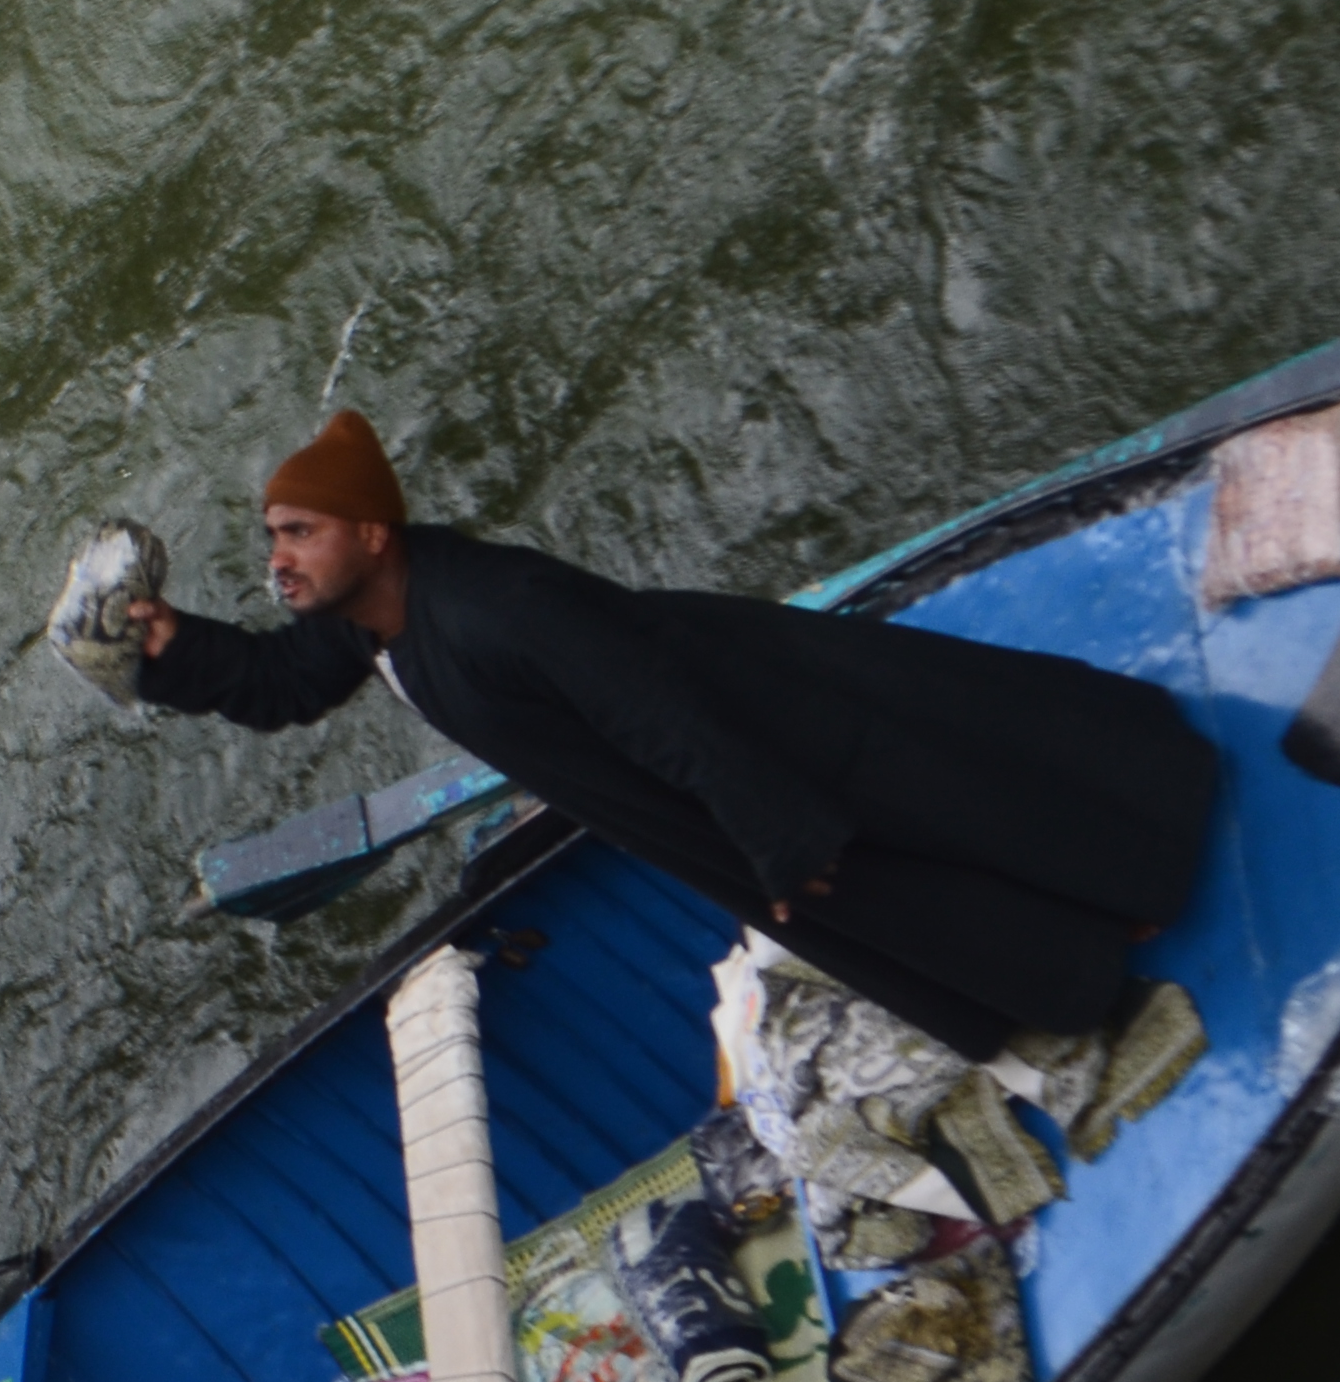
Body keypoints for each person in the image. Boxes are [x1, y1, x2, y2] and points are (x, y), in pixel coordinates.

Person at [129, 411, 1215, 1060]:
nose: (278, 560)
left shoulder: (499, 607)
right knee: (911, 887)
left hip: (750, 732)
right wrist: (171, 644)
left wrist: (772, 830)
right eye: (272, 537)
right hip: (682, 796)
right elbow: (276, 681)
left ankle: (1138, 864)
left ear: (370, 532)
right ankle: (1083, 947)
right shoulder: (364, 618)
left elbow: (653, 706)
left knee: (934, 800)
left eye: (297, 534)